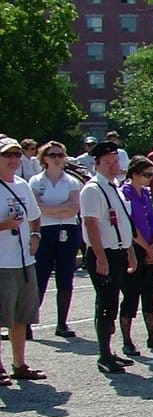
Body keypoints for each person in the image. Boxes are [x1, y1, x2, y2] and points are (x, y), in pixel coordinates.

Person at [79, 140, 139, 374]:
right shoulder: (93, 189)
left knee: (113, 302)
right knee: (105, 304)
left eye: (115, 162)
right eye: (108, 163)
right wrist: (100, 257)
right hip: (103, 253)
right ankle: (104, 355)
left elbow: (124, 223)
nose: (113, 166)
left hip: (119, 252)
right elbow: (91, 224)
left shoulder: (113, 186)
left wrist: (130, 251)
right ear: (97, 164)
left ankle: (109, 351)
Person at [0, 138, 46, 384]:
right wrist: (4, 226)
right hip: (1, 262)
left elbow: (35, 216)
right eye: (8, 155)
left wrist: (36, 235)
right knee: (1, 316)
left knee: (20, 317)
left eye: (17, 155)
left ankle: (19, 364)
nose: (14, 160)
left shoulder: (22, 185)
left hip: (23, 260)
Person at [118, 156, 153, 354]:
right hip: (133, 248)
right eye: (146, 174)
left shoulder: (146, 193)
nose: (150, 178)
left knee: (151, 292)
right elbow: (129, 224)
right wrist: (145, 246)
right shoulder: (124, 193)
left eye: (152, 174)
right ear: (134, 173)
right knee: (131, 294)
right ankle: (127, 340)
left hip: (150, 246)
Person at [30, 141, 82, 338]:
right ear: (44, 158)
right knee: (40, 277)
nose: (57, 158)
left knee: (65, 276)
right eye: (53, 155)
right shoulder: (36, 181)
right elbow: (35, 207)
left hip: (68, 230)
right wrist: (61, 208)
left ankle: (62, 323)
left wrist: (50, 209)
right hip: (44, 230)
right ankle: (28, 321)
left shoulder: (71, 181)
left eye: (60, 154)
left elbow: (74, 207)